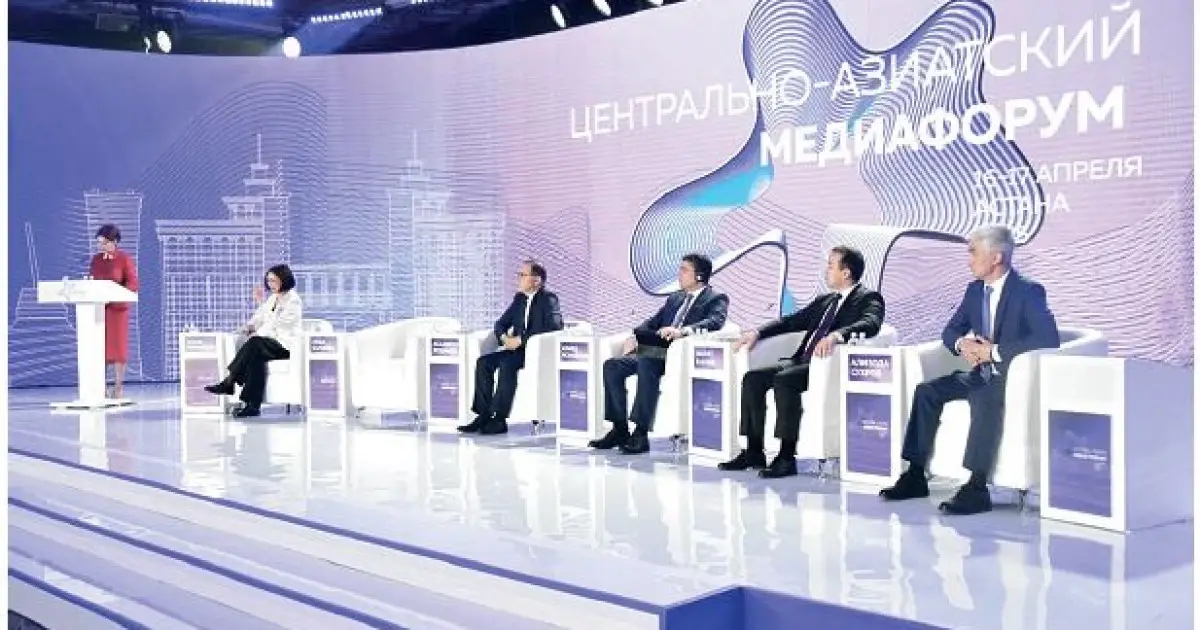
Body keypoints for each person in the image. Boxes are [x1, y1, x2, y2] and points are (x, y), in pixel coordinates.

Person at [880, 225, 1059, 515]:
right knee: (927, 392)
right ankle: (914, 474)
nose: (969, 260)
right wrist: (962, 344)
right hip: (978, 375)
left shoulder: (1028, 291)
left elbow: (1047, 339)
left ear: (996, 257)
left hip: (1009, 378)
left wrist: (993, 352)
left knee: (983, 396)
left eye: (974, 252)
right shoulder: (975, 290)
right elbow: (950, 330)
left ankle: (976, 487)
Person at [721, 246, 885, 478]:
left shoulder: (868, 298)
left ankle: (786, 457)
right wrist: (757, 332)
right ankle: (753, 451)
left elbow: (871, 323)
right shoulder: (825, 300)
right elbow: (791, 321)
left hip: (826, 365)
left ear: (846, 272)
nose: (826, 270)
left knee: (784, 381)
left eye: (831, 265)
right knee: (752, 379)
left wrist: (837, 336)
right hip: (800, 361)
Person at [591, 253, 729, 455]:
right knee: (612, 365)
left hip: (680, 357)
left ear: (699, 276)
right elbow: (652, 323)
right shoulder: (675, 298)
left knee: (647, 362)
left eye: (684, 270)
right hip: (656, 352)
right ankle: (619, 429)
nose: (679, 274)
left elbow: (715, 321)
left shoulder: (715, 298)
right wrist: (634, 336)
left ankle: (640, 433)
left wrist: (682, 331)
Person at [459, 260, 563, 435]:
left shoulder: (549, 299)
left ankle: (499, 419)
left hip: (536, 352)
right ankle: (483, 415)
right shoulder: (519, 299)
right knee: (484, 363)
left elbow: (554, 327)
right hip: (516, 350)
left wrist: (521, 340)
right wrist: (504, 338)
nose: (518, 278)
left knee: (507, 365)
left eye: (523, 275)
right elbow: (500, 323)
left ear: (536, 280)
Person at [205, 264, 303, 418]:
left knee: (255, 342)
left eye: (274, 281)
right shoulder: (273, 298)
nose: (270, 284)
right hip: (267, 345)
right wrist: (248, 327)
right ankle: (253, 406)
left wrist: (258, 333)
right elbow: (260, 316)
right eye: (268, 281)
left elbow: (276, 324)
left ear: (284, 279)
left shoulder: (293, 301)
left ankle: (229, 382)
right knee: (255, 359)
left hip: (285, 346)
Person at [90, 224, 139, 399]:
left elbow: (133, 283)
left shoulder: (124, 259)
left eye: (104, 243)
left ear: (115, 241)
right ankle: (101, 387)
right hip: (100, 309)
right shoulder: (96, 260)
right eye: (99, 243)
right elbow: (91, 281)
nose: (101, 246)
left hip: (117, 310)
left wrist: (117, 293)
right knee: (99, 349)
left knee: (118, 350)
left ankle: (118, 387)